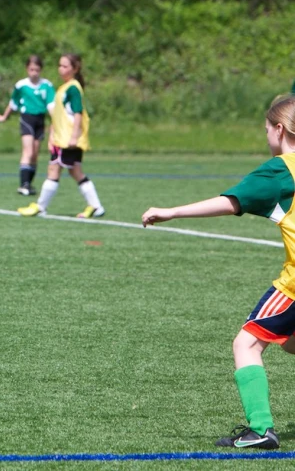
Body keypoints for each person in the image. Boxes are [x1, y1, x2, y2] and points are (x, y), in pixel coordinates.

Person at [140, 95, 295, 450]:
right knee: (289, 342)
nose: (266, 136)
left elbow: (232, 202)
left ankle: (261, 430)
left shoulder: (281, 169)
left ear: (280, 129)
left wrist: (171, 211)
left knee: (247, 342)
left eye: (267, 130)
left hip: (294, 283)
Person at [17, 53, 104, 218]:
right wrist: (52, 134)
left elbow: (77, 113)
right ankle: (96, 206)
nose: (61, 69)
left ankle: (41, 206)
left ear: (75, 68)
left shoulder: (73, 87)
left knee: (55, 169)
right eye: (60, 65)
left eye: (65, 66)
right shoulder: (64, 87)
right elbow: (60, 114)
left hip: (68, 139)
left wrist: (74, 136)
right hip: (61, 138)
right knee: (74, 172)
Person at [0, 55, 55, 196]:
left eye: (37, 70)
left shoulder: (47, 85)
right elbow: (13, 103)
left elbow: (52, 106)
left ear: (41, 70)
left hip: (40, 120)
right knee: (28, 151)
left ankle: (29, 184)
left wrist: (56, 121)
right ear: (27, 69)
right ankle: (23, 184)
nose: (34, 73)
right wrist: (4, 117)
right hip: (27, 118)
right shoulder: (21, 85)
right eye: (32, 69)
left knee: (35, 154)